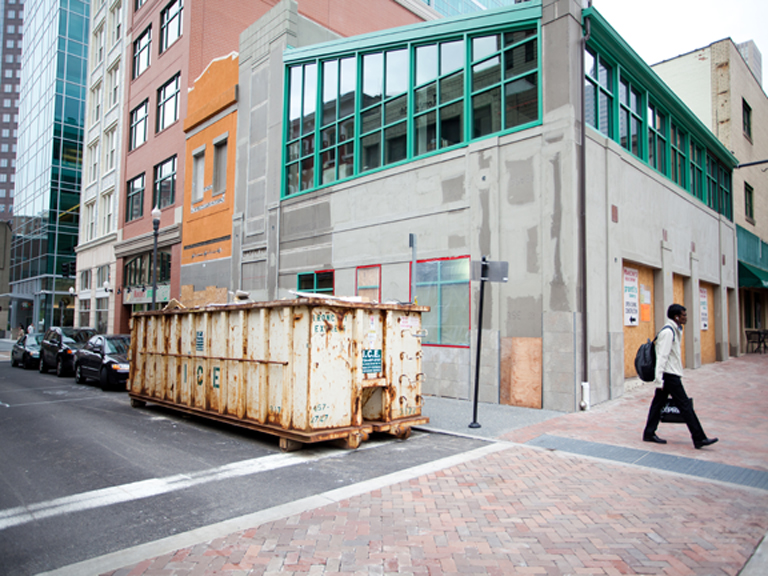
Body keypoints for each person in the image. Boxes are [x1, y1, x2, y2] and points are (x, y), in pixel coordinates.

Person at [643, 304, 718, 449]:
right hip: (669, 376)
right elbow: (662, 357)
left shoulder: (675, 330)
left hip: (669, 374)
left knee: (657, 405)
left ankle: (649, 432)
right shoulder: (668, 332)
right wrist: (659, 379)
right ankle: (699, 438)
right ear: (676, 316)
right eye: (683, 315)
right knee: (685, 406)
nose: (686, 317)